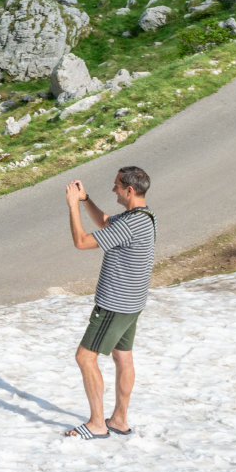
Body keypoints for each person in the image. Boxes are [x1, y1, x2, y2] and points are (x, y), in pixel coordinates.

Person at [61, 165, 156, 440]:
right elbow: (105, 223)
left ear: (129, 190)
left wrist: (72, 207)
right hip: (132, 304)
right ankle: (119, 420)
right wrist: (85, 199)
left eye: (116, 185)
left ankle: (97, 424)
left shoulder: (129, 223)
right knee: (122, 357)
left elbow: (81, 241)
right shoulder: (144, 216)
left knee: (85, 357)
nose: (113, 189)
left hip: (114, 306)